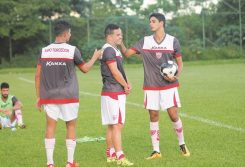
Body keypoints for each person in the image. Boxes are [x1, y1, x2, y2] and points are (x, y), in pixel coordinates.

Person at [119, 13, 190, 159]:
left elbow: (180, 63)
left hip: (169, 86)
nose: (150, 24)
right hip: (151, 86)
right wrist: (120, 42)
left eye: (153, 21)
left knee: (173, 115)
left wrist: (176, 76)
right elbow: (126, 53)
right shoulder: (145, 41)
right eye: (149, 21)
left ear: (161, 23)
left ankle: (182, 144)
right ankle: (156, 150)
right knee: (153, 115)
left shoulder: (173, 41)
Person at [35, 20, 102, 167]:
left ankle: (50, 163)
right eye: (70, 33)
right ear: (65, 34)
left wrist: (39, 96)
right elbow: (85, 69)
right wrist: (95, 57)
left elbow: (37, 76)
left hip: (49, 96)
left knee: (50, 127)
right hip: (69, 96)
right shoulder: (72, 50)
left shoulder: (44, 50)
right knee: (70, 126)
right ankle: (70, 162)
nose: (70, 35)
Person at [100, 24, 133, 166]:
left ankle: (111, 154)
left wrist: (127, 82)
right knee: (117, 125)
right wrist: (125, 85)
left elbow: (120, 69)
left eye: (121, 34)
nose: (121, 36)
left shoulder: (114, 50)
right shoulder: (108, 50)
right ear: (110, 36)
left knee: (112, 125)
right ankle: (120, 157)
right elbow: (114, 71)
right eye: (118, 34)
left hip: (112, 91)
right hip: (113, 91)